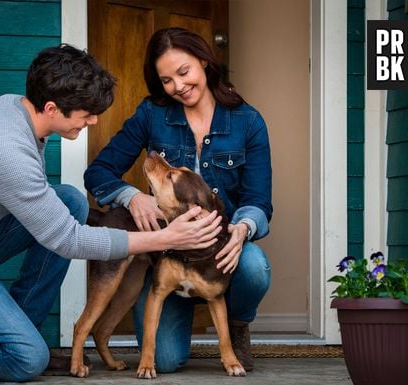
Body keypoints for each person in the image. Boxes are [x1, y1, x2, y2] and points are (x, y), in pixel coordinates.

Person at [0, 44, 224, 382]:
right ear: (51, 107)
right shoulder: (5, 150)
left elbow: (55, 218)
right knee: (26, 359)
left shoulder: (15, 107)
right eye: (87, 113)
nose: (92, 121)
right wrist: (162, 238)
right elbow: (67, 239)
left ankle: (17, 330)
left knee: (70, 201)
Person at [84, 28, 272, 372]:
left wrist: (243, 229)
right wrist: (130, 196)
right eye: (166, 80)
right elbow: (98, 172)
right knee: (166, 362)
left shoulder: (248, 121)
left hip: (216, 250)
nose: (178, 87)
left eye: (184, 72)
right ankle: (176, 303)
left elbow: (259, 200)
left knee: (254, 266)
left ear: (204, 60)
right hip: (168, 254)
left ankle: (236, 324)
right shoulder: (152, 114)